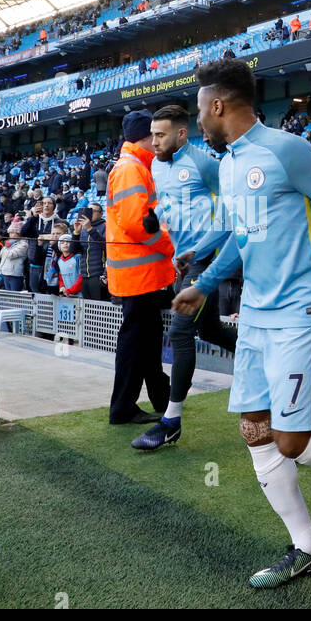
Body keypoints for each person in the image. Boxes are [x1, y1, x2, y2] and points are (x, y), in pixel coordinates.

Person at [173, 58, 311, 589]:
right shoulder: (228, 164)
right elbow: (244, 237)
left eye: (201, 109)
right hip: (254, 315)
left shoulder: (286, 149)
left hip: (301, 313)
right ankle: (307, 548)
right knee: (255, 429)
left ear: (218, 105)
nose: (199, 119)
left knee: (293, 441)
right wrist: (204, 285)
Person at [132, 104, 237, 451]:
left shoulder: (205, 163)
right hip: (184, 260)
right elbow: (171, 201)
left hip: (205, 258)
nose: (153, 141)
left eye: (160, 135)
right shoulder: (159, 168)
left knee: (180, 331)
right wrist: (154, 215)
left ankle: (171, 420)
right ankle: (262, 355)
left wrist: (201, 248)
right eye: (151, 134)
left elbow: (231, 208)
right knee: (210, 330)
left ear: (180, 134)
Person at [105, 109, 174, 425]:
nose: (159, 141)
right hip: (138, 273)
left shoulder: (133, 166)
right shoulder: (132, 169)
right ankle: (123, 407)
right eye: (156, 135)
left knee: (146, 339)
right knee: (137, 341)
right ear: (146, 137)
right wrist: (169, 247)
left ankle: (161, 396)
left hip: (139, 273)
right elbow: (137, 224)